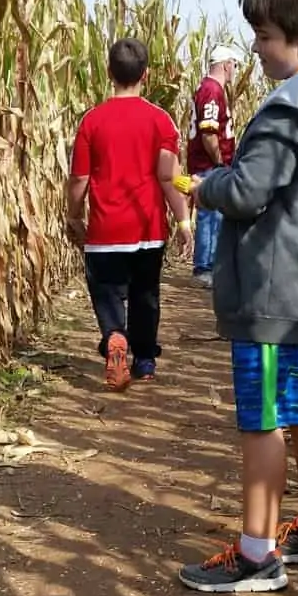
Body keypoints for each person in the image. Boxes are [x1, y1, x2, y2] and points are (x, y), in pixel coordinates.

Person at [178, 0, 298, 593]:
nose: (256, 50)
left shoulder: (287, 115)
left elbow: (249, 190)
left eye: (264, 37)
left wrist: (203, 185)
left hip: (271, 292)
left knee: (261, 418)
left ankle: (257, 554)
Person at [66, 38, 192, 390]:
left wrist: (74, 215)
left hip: (106, 231)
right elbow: (170, 178)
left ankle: (114, 337)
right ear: (146, 75)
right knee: (145, 294)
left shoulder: (92, 121)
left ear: (109, 73)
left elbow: (80, 178)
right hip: (148, 230)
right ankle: (146, 359)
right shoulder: (160, 121)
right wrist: (183, 221)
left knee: (107, 292)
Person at [187, 43, 240, 288]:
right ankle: (204, 267)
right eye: (235, 65)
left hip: (209, 164)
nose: (235, 71)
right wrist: (220, 162)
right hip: (208, 165)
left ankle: (209, 265)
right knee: (210, 215)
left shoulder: (209, 88)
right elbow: (209, 133)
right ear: (226, 64)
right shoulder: (212, 90)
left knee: (213, 215)